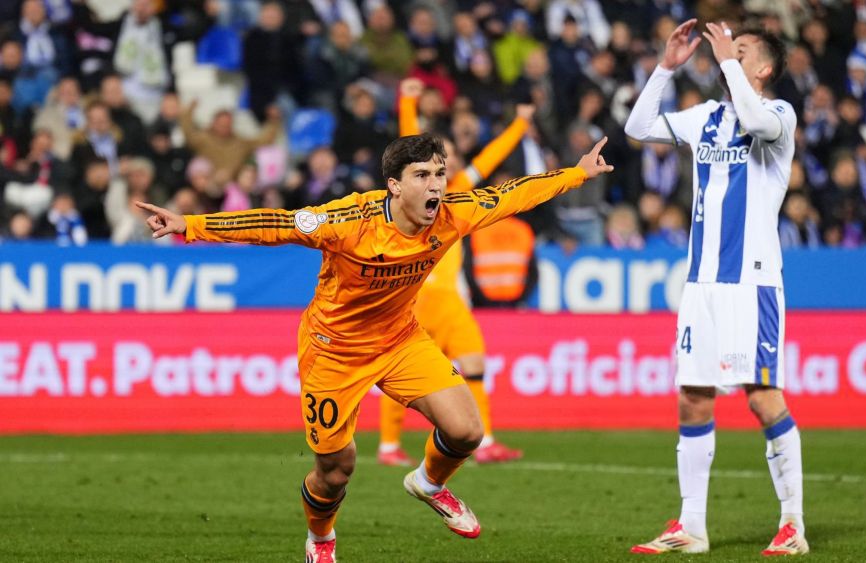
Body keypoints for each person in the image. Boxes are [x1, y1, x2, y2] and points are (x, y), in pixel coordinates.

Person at [136, 132, 613, 563]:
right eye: (422, 175)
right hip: (333, 352)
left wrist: (577, 173)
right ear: (394, 186)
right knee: (336, 470)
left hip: (400, 339)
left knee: (467, 430)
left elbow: (511, 195)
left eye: (440, 174)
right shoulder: (347, 221)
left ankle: (428, 482)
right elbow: (276, 223)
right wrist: (190, 225)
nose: (435, 186)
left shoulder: (451, 215)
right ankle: (321, 539)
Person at [624, 19, 807, 556]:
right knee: (692, 399)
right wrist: (665, 66)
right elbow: (638, 126)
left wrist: (727, 60)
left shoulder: (777, 115)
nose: (727, 52)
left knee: (762, 396)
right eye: (728, 47)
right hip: (700, 286)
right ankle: (692, 527)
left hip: (751, 284)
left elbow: (752, 115)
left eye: (742, 50)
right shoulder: (705, 118)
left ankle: (792, 523)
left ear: (763, 69)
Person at [377, 78, 530, 466]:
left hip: (449, 300)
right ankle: (388, 446)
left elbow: (490, 160)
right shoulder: (419, 195)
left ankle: (486, 440)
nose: (446, 167)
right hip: (419, 297)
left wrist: (519, 126)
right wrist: (407, 101)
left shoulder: (459, 191)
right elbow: (409, 143)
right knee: (398, 368)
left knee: (475, 361)